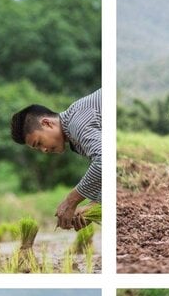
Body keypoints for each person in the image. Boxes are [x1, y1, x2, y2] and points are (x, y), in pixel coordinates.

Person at [10, 89, 101, 230]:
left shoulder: (76, 124)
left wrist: (70, 201)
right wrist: (93, 206)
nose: (44, 150)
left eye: (39, 143)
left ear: (47, 123)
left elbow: (104, 161)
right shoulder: (74, 131)